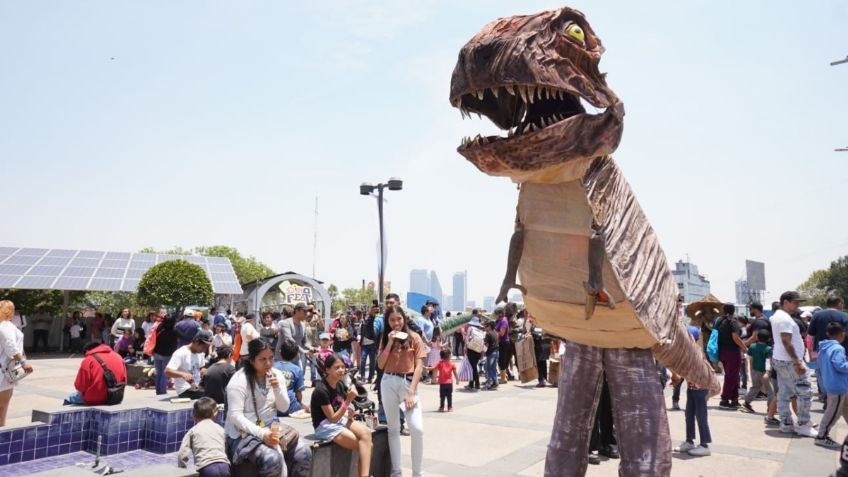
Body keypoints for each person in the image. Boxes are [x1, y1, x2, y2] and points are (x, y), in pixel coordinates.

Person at [225, 339, 311, 477]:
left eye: (271, 358)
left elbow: (284, 408)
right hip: (243, 433)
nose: (269, 363)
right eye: (263, 359)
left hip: (271, 427)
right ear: (252, 360)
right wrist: (262, 434)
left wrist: (277, 388)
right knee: (272, 459)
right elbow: (235, 416)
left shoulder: (276, 374)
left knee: (304, 452)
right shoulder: (239, 381)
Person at [377, 305, 426, 477]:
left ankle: (417, 472)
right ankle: (396, 471)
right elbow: (381, 365)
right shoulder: (386, 338)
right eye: (392, 320)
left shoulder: (414, 338)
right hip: (388, 381)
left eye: (399, 319)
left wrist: (412, 391)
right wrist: (389, 342)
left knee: (416, 429)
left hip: (407, 383)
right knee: (393, 428)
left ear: (404, 319)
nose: (396, 323)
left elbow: (419, 366)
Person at [311, 353, 372, 477]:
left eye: (343, 367)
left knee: (366, 434)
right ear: (327, 370)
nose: (341, 370)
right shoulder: (321, 390)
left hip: (338, 420)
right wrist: (348, 400)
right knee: (364, 444)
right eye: (336, 367)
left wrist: (350, 411)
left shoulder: (339, 384)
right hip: (324, 425)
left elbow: (342, 407)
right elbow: (332, 418)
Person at [772, 291, 816, 437]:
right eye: (795, 302)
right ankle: (803, 424)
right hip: (790, 361)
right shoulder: (784, 319)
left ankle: (786, 423)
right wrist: (797, 361)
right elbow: (786, 341)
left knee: (784, 392)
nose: (797, 306)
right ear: (786, 302)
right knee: (804, 391)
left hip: (780, 359)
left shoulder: (776, 317)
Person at [673, 325, 712, 457]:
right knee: (689, 415)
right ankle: (689, 441)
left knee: (701, 417)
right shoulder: (688, 350)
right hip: (691, 388)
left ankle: (704, 445)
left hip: (700, 389)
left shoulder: (696, 352)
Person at [178, 396, 230, 477]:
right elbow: (225, 447)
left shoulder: (193, 431)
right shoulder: (220, 429)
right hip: (224, 466)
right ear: (214, 413)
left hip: (206, 468)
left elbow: (182, 453)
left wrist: (182, 468)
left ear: (194, 416)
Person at [0, 301, 33, 425]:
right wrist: (23, 362)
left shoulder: (3, 325)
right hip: (4, 371)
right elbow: (10, 346)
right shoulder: (5, 325)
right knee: (2, 406)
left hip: (5, 370)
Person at [815, 322, 848, 449]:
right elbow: (840, 366)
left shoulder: (824, 347)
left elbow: (819, 368)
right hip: (837, 385)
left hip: (832, 383)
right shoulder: (838, 348)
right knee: (833, 413)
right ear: (841, 334)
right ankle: (821, 436)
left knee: (845, 408)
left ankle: (822, 434)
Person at [64, 341, 127, 405]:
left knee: (69, 398)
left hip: (94, 398)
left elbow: (80, 387)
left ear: (87, 351)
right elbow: (124, 380)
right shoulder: (119, 357)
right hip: (115, 397)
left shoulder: (89, 360)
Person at [166, 329, 213, 399]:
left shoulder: (200, 353)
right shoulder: (181, 353)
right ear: (197, 342)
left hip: (197, 387)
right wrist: (183, 374)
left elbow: (200, 368)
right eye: (204, 347)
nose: (204, 350)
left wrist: (204, 371)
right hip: (185, 390)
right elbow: (167, 371)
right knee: (211, 398)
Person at [716, 303, 747, 409]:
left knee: (733, 375)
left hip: (722, 352)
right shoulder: (733, 322)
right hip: (732, 352)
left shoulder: (719, 321)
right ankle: (724, 400)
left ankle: (734, 399)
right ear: (733, 311)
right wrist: (744, 347)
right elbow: (735, 337)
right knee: (731, 376)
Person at [741, 329, 774, 414]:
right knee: (771, 391)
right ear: (769, 339)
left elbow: (749, 358)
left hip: (754, 371)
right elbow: (768, 362)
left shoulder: (752, 346)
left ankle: (746, 403)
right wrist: (767, 372)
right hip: (764, 372)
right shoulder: (768, 349)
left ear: (757, 337)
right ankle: (770, 408)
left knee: (755, 387)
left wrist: (750, 370)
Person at [275, 339, 310, 416]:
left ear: (280, 352)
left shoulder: (273, 367)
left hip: (274, 409)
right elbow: (298, 394)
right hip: (291, 408)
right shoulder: (296, 370)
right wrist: (300, 403)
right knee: (308, 408)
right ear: (295, 355)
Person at [152, 308, 178, 395]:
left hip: (156, 353)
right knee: (164, 374)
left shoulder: (159, 327)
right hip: (167, 355)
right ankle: (162, 393)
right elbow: (182, 336)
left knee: (158, 373)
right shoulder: (174, 330)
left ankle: (158, 391)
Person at [464, 311, 485, 392]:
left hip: (471, 349)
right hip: (478, 350)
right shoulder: (481, 329)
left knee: (473, 368)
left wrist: (465, 348)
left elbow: (466, 339)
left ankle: (477, 385)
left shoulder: (470, 328)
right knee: (474, 366)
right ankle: (471, 384)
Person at [359, 304, 379, 383]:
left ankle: (370, 377)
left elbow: (371, 319)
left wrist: (372, 313)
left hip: (372, 344)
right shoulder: (363, 321)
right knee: (363, 360)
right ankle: (363, 377)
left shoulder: (372, 319)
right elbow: (361, 330)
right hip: (364, 345)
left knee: (372, 361)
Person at [495, 307, 511, 384]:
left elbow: (502, 333)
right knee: (501, 360)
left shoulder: (503, 321)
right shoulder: (501, 320)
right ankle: (504, 376)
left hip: (504, 343)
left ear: (500, 314)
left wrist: (494, 333)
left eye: (496, 314)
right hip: (502, 343)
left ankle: (503, 378)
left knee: (502, 360)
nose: (496, 316)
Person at [483, 320, 499, 390]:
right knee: (493, 368)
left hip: (491, 352)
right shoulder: (496, 333)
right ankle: (495, 382)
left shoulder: (488, 334)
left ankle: (492, 382)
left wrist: (483, 351)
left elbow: (486, 344)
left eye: (486, 326)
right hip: (496, 352)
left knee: (489, 368)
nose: (485, 328)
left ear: (489, 326)